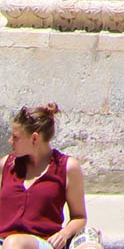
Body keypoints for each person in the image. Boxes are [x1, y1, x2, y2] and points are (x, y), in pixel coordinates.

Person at [0, 104, 87, 249]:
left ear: (34, 139)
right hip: (3, 241)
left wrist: (64, 234)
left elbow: (79, 217)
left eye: (15, 137)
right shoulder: (7, 165)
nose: (10, 141)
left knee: (14, 243)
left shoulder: (67, 168)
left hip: (40, 243)